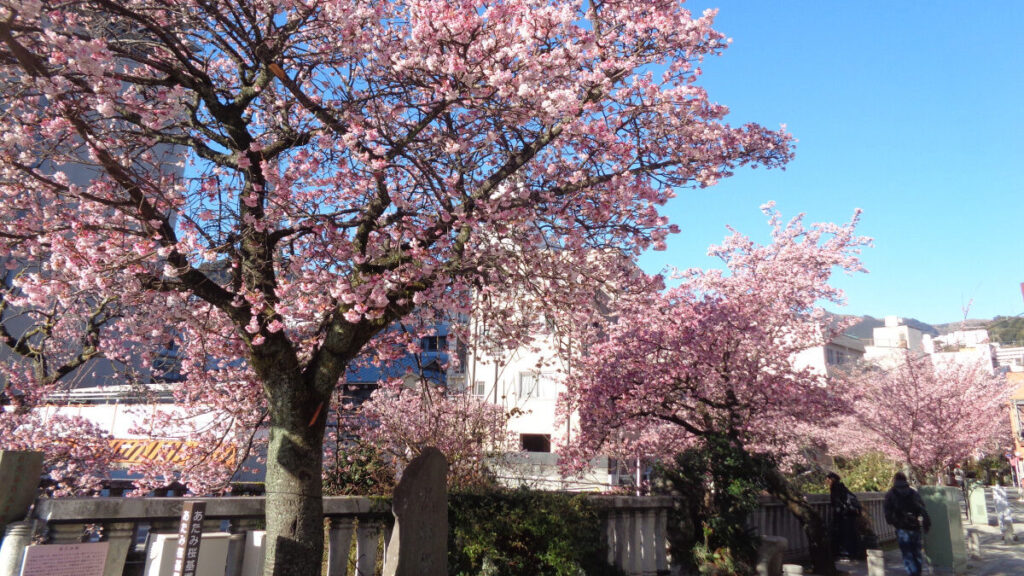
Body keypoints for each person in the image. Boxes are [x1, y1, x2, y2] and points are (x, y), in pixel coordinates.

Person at [884, 472, 932, 576]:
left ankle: (912, 574)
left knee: (907, 555)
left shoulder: (890, 494)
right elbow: (922, 508)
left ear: (895, 480)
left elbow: (887, 514)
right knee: (917, 554)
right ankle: (917, 573)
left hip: (902, 528)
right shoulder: (913, 492)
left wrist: (894, 521)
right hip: (914, 526)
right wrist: (926, 523)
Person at [826, 472, 864, 560]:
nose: (827, 481)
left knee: (846, 534)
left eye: (828, 479)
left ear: (832, 479)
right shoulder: (842, 487)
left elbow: (837, 503)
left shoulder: (836, 488)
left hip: (844, 515)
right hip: (850, 514)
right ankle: (854, 553)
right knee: (851, 533)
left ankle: (848, 553)